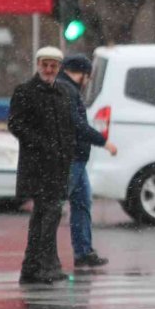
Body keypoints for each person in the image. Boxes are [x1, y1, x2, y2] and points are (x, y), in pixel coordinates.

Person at [9, 46, 75, 284]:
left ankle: (33, 267)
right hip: (38, 167)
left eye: (53, 66)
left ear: (58, 68)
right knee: (48, 215)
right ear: (38, 65)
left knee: (44, 216)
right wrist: (43, 146)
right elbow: (16, 124)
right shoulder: (25, 91)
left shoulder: (63, 92)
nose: (48, 69)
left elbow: (67, 127)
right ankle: (45, 266)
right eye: (45, 65)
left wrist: (67, 152)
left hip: (58, 167)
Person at [56, 54, 118, 269]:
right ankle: (54, 254)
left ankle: (84, 252)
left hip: (76, 158)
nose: (88, 81)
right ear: (81, 74)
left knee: (82, 203)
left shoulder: (67, 88)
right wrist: (103, 141)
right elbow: (76, 124)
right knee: (57, 206)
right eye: (87, 76)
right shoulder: (67, 90)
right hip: (71, 158)